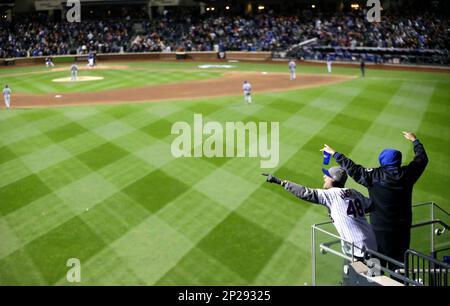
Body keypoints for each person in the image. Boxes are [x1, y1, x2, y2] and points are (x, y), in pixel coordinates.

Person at [320, 132, 428, 271]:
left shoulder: (373, 175)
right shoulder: (408, 174)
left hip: (378, 231)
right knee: (400, 270)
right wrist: (415, 141)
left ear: (382, 161)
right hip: (402, 230)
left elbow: (353, 169)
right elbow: (421, 159)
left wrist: (334, 153)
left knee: (376, 271)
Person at [263, 167, 377, 260]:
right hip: (372, 242)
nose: (324, 177)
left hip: (358, 248)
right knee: (372, 277)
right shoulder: (353, 192)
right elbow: (370, 206)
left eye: (327, 175)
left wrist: (281, 182)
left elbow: (306, 193)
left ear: (333, 179)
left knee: (358, 280)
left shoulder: (331, 195)